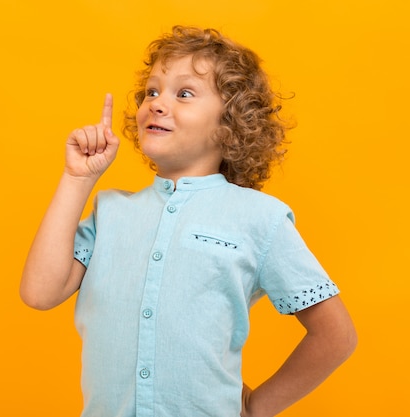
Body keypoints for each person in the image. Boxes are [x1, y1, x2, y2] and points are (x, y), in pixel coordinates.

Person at [20, 25, 357, 417]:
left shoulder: (260, 218)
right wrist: (78, 179)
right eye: (152, 91)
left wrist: (258, 407)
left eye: (184, 93)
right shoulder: (110, 213)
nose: (158, 103)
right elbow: (39, 293)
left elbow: (336, 335)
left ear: (229, 124)